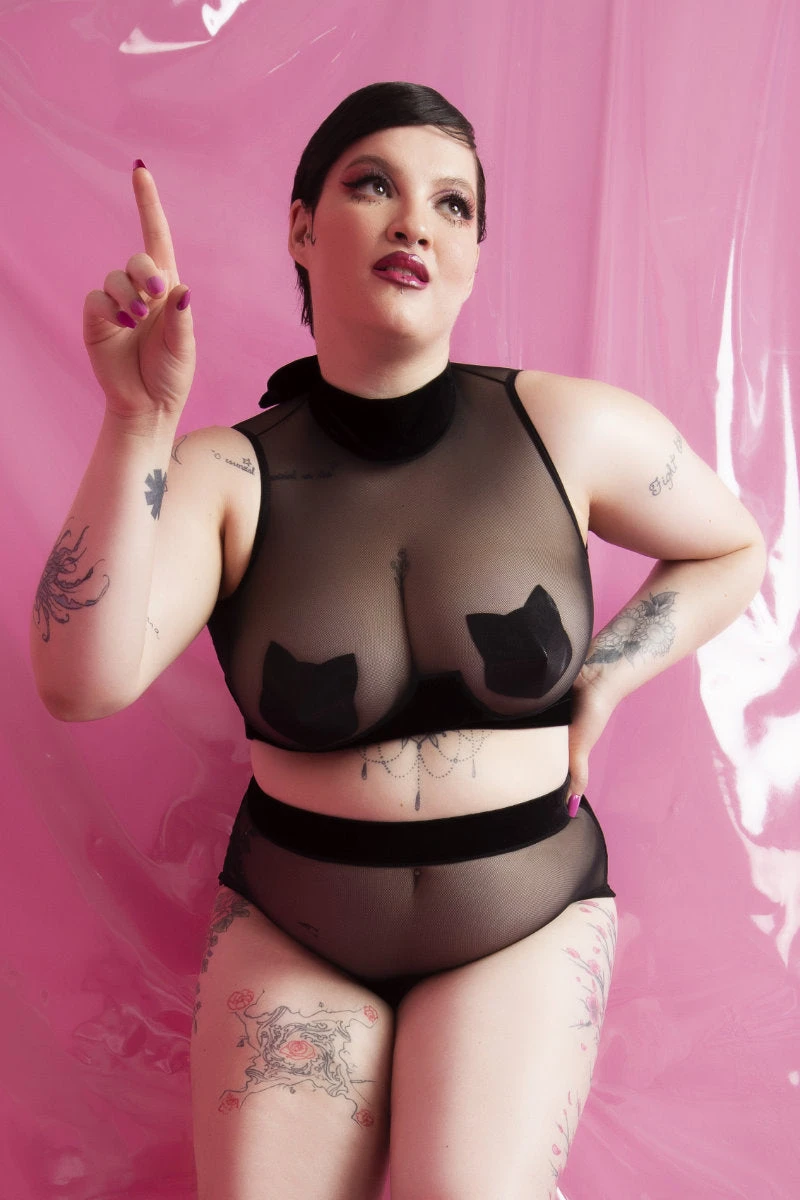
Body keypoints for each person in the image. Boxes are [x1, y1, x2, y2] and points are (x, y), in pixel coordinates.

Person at [30, 81, 766, 1200]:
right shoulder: (224, 473)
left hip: (520, 919)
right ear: (301, 227)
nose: (416, 223)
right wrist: (137, 421)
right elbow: (79, 683)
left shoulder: (567, 428)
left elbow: (733, 546)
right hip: (296, 928)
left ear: (472, 254)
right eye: (373, 185)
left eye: (453, 204)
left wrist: (608, 676)